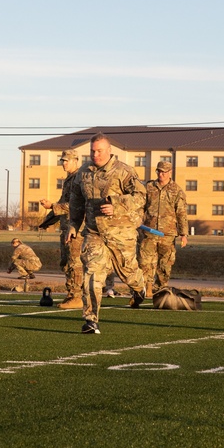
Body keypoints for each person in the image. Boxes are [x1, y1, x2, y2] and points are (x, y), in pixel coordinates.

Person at [68, 133, 147, 335]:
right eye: (93, 151)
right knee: (92, 275)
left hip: (121, 233)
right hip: (94, 233)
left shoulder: (124, 171)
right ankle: (91, 320)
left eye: (99, 151)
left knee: (128, 272)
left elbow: (140, 196)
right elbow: (76, 200)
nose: (95, 154)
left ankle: (139, 289)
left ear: (109, 151)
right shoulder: (84, 172)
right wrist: (73, 225)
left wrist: (118, 205)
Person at [39, 149, 84, 309]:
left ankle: (77, 297)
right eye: (62, 160)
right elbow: (61, 203)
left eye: (66, 160)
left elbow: (75, 205)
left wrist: (52, 206)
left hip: (75, 229)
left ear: (75, 160)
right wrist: (48, 221)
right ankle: (71, 294)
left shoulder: (79, 178)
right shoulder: (68, 180)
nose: (63, 163)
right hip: (65, 227)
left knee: (75, 262)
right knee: (66, 262)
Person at [139, 160, 188, 297]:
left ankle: (160, 288)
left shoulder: (176, 190)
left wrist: (184, 234)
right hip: (149, 231)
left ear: (170, 173)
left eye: (164, 172)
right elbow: (140, 206)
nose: (161, 174)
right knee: (145, 261)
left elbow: (181, 213)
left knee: (165, 264)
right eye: (159, 171)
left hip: (167, 234)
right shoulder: (149, 187)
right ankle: (147, 287)